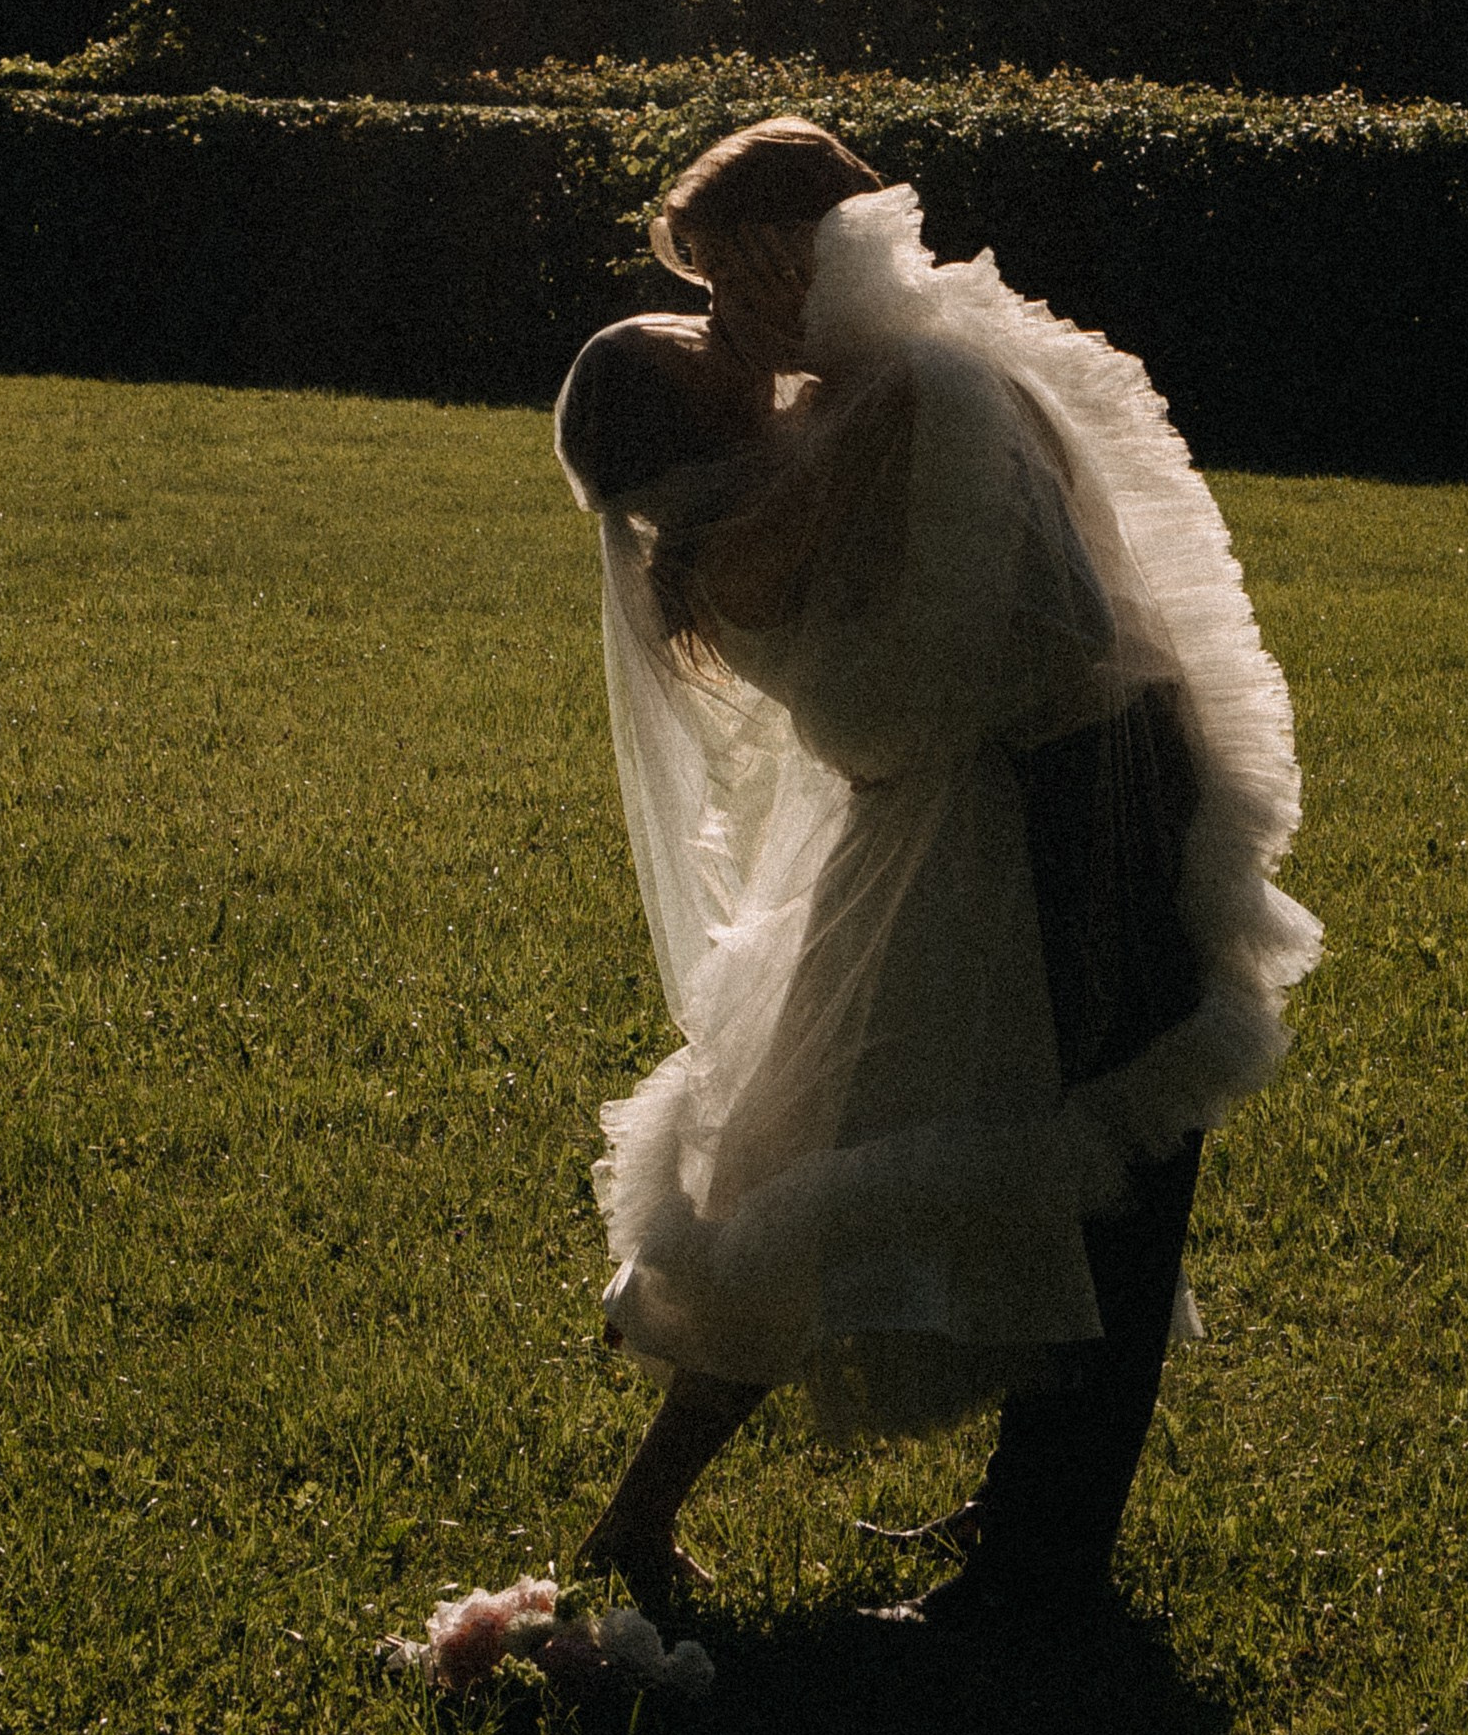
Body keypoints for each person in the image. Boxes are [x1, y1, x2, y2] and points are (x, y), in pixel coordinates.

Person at [552, 118, 1321, 1627]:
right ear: (679, 415)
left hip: (1054, 794)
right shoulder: (782, 494)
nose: (730, 325)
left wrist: (867, 384)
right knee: (1033, 1149)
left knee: (1062, 1148)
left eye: (722, 284)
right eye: (696, 316)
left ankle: (1028, 1538)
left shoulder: (863, 415)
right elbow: (921, 672)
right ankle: (1031, 1557)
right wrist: (874, 390)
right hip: (1003, 822)